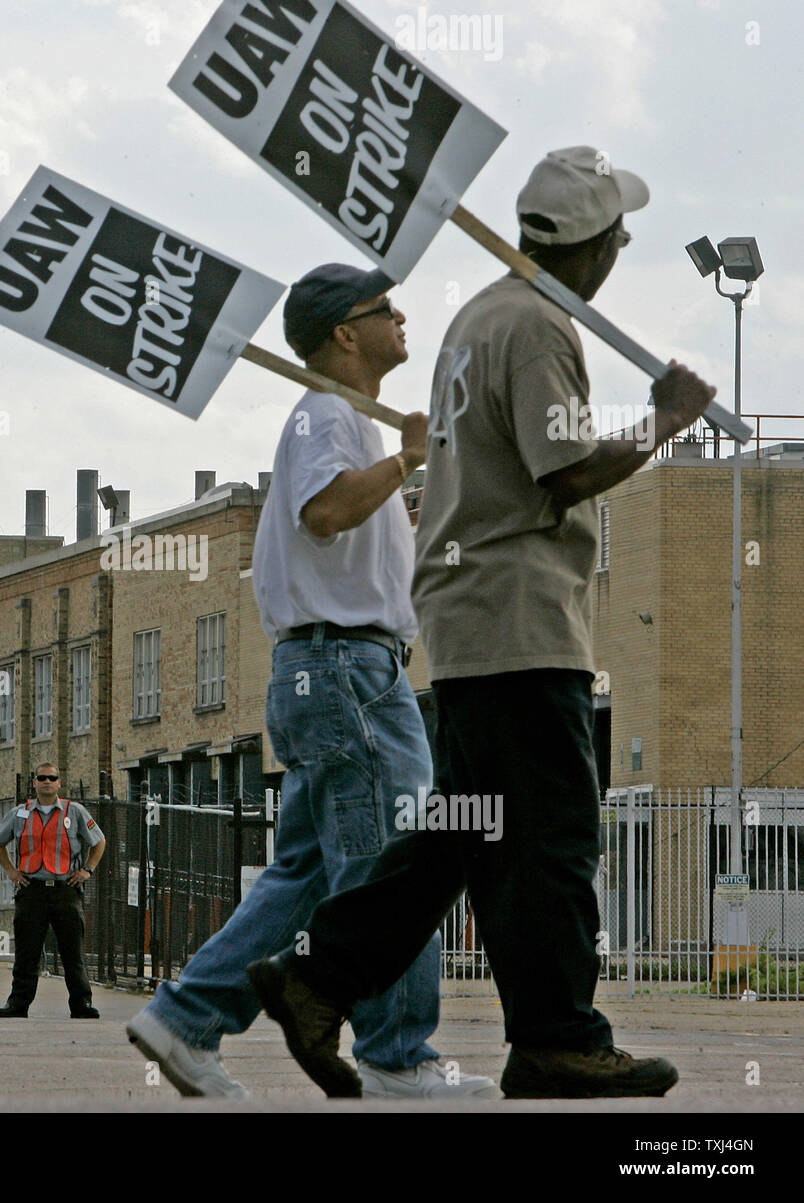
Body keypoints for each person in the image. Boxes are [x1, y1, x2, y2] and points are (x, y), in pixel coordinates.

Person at [248, 147, 717, 1099]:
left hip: (469, 625)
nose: (625, 241)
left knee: (462, 835)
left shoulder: (476, 319)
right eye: (619, 230)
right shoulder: (539, 326)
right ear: (595, 244)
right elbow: (566, 467)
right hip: (521, 619)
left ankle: (316, 978)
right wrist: (664, 422)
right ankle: (557, 1037)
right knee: (551, 838)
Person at [125, 264, 497, 1100]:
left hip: (329, 671)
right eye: (383, 310)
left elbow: (352, 532)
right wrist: (405, 457)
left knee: (306, 871)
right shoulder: (326, 417)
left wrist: (409, 470)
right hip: (349, 672)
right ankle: (398, 1055)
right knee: (393, 864)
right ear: (344, 333)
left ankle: (185, 1017)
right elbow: (326, 511)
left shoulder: (344, 422)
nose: (403, 318)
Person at [0, 762, 106, 1018]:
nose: (46, 782)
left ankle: (81, 1003)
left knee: (72, 950)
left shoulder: (74, 811)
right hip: (32, 890)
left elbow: (98, 842)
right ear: (35, 783)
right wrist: (11, 871)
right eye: (41, 778)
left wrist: (87, 870)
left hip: (66, 889)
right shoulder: (21, 813)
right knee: (26, 952)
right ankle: (18, 1004)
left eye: (51, 778)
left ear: (59, 782)